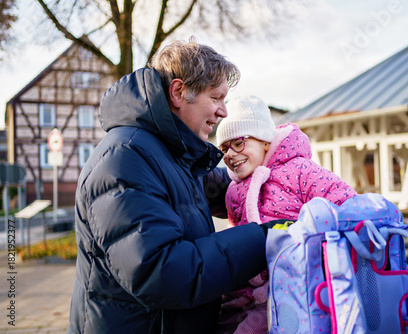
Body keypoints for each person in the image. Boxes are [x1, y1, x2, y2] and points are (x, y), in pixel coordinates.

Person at [67, 38, 277, 334]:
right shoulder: (125, 159)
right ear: (179, 92)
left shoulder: (172, 155)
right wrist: (265, 238)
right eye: (216, 98)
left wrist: (284, 175)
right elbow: (163, 272)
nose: (223, 112)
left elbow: (229, 188)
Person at [215, 95, 358, 333]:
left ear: (265, 142)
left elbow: (344, 202)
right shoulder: (234, 191)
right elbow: (236, 233)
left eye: (238, 143)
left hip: (295, 285)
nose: (230, 153)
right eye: (224, 148)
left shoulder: (299, 170)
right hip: (247, 292)